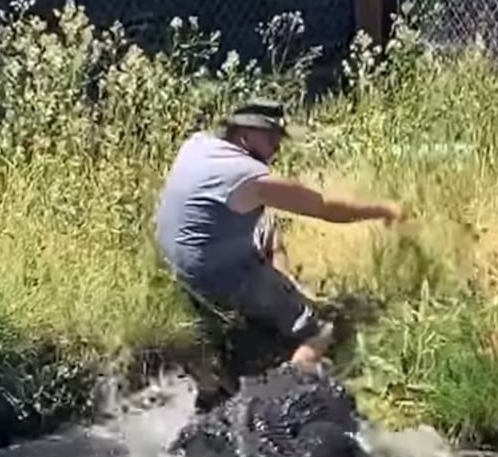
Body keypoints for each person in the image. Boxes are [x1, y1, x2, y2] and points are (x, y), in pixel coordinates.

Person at [154, 99, 404, 406]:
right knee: (320, 329)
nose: (277, 147)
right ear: (245, 134)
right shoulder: (250, 177)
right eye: (271, 137)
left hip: (175, 259)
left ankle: (283, 288)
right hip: (216, 276)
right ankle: (286, 396)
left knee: (268, 223)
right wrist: (385, 209)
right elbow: (324, 206)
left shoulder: (197, 144)